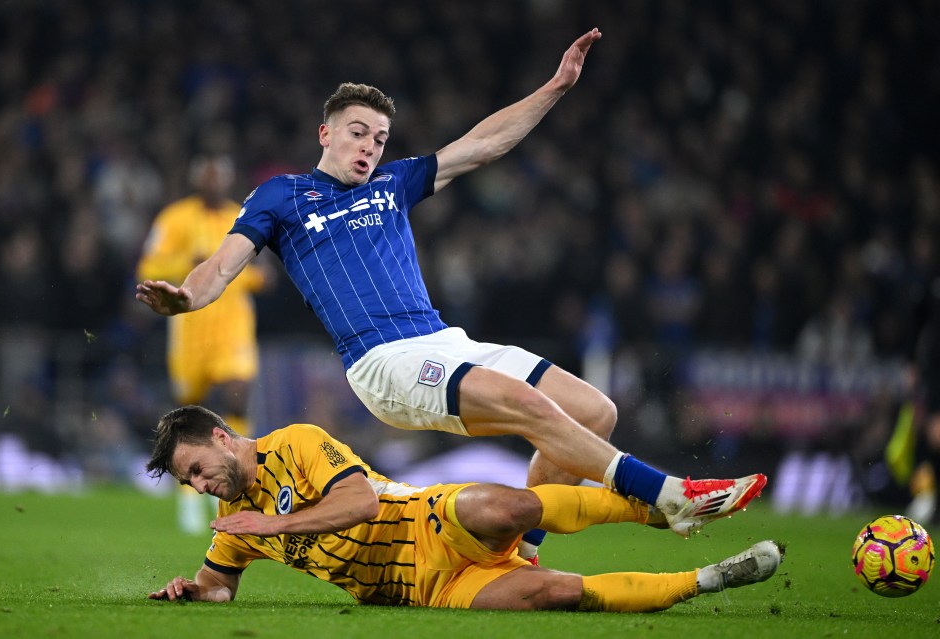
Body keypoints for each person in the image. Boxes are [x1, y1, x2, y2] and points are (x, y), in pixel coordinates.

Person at [136, 29, 767, 557]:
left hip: (440, 340)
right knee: (528, 406)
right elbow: (222, 265)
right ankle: (671, 497)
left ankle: (522, 554)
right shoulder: (281, 195)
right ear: (325, 134)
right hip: (382, 361)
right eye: (358, 133)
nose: (369, 147)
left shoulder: (393, 184)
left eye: (379, 139)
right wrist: (187, 299)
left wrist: (555, 89)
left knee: (594, 411)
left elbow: (483, 144)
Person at [146, 405, 783, 611]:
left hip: (424, 516)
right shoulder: (239, 526)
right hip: (424, 588)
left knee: (509, 508)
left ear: (223, 438)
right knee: (556, 596)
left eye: (196, 469)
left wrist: (275, 523)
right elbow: (218, 587)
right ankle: (710, 579)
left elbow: (362, 499)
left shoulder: (296, 443)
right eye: (189, 483)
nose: (200, 486)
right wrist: (191, 592)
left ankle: (666, 508)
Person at [136, 153, 272, 533]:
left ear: (227, 179)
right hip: (190, 332)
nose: (214, 182)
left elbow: (260, 271)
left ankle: (236, 483)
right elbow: (148, 267)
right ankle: (187, 496)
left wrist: (260, 275)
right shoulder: (175, 218)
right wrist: (185, 259)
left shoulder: (240, 216)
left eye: (220, 176)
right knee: (189, 414)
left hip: (232, 331)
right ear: (198, 179)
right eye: (207, 176)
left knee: (236, 396)